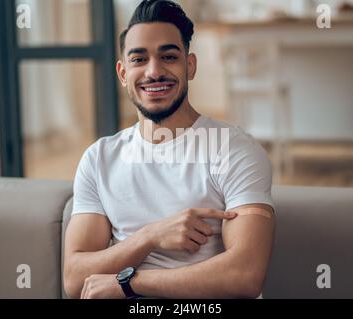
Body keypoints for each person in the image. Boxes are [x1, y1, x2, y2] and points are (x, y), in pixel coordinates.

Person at [63, 0, 275, 299]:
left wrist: (131, 283)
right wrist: (150, 237)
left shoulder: (234, 150)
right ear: (123, 73)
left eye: (168, 56)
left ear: (190, 66)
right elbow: (74, 279)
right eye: (139, 59)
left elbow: (245, 275)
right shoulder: (99, 158)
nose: (154, 72)